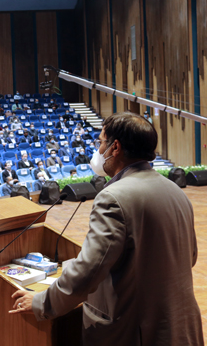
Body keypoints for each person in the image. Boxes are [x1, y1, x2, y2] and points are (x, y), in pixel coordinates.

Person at [10, 111, 204, 345]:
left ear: (115, 147)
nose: (99, 149)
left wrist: (42, 302)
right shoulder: (175, 191)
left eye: (101, 142)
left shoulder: (113, 197)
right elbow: (190, 256)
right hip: (181, 327)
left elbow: (88, 273)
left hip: (136, 332)